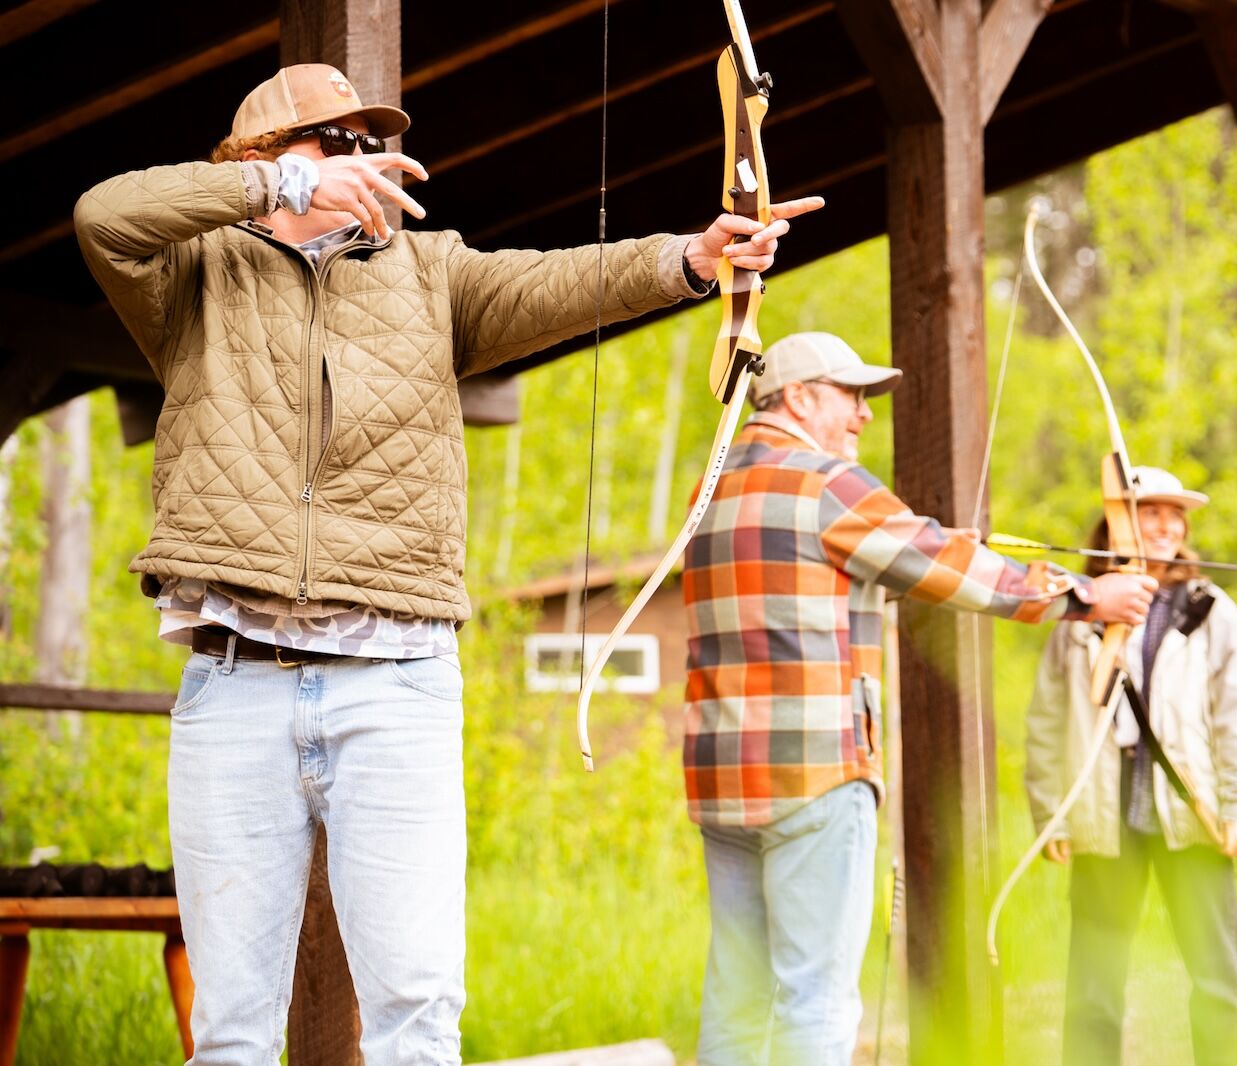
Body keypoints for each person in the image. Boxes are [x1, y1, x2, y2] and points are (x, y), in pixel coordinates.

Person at [73, 63, 821, 1066]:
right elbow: (100, 214)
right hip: (234, 679)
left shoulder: (432, 272)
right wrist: (282, 196)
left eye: (363, 142)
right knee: (231, 1031)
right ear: (255, 161)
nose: (357, 158)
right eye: (327, 143)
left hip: (398, 682)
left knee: (418, 1017)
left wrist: (691, 258)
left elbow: (565, 281)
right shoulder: (192, 276)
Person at [680, 331, 1159, 1065]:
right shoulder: (828, 483)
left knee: (739, 1000)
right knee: (816, 999)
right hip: (816, 777)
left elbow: (830, 572)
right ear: (800, 398)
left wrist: (928, 546)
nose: (865, 414)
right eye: (853, 395)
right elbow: (955, 570)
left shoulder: (710, 487)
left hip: (720, 781)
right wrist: (1092, 595)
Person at [1023, 466, 1237, 1065]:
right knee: (1094, 989)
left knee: (1219, 982)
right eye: (1148, 512)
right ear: (1116, 523)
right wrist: (1049, 815)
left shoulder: (1209, 609)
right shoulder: (1078, 611)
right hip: (1102, 817)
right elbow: (1048, 720)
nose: (1166, 525)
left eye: (1174, 514)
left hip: (1192, 816)